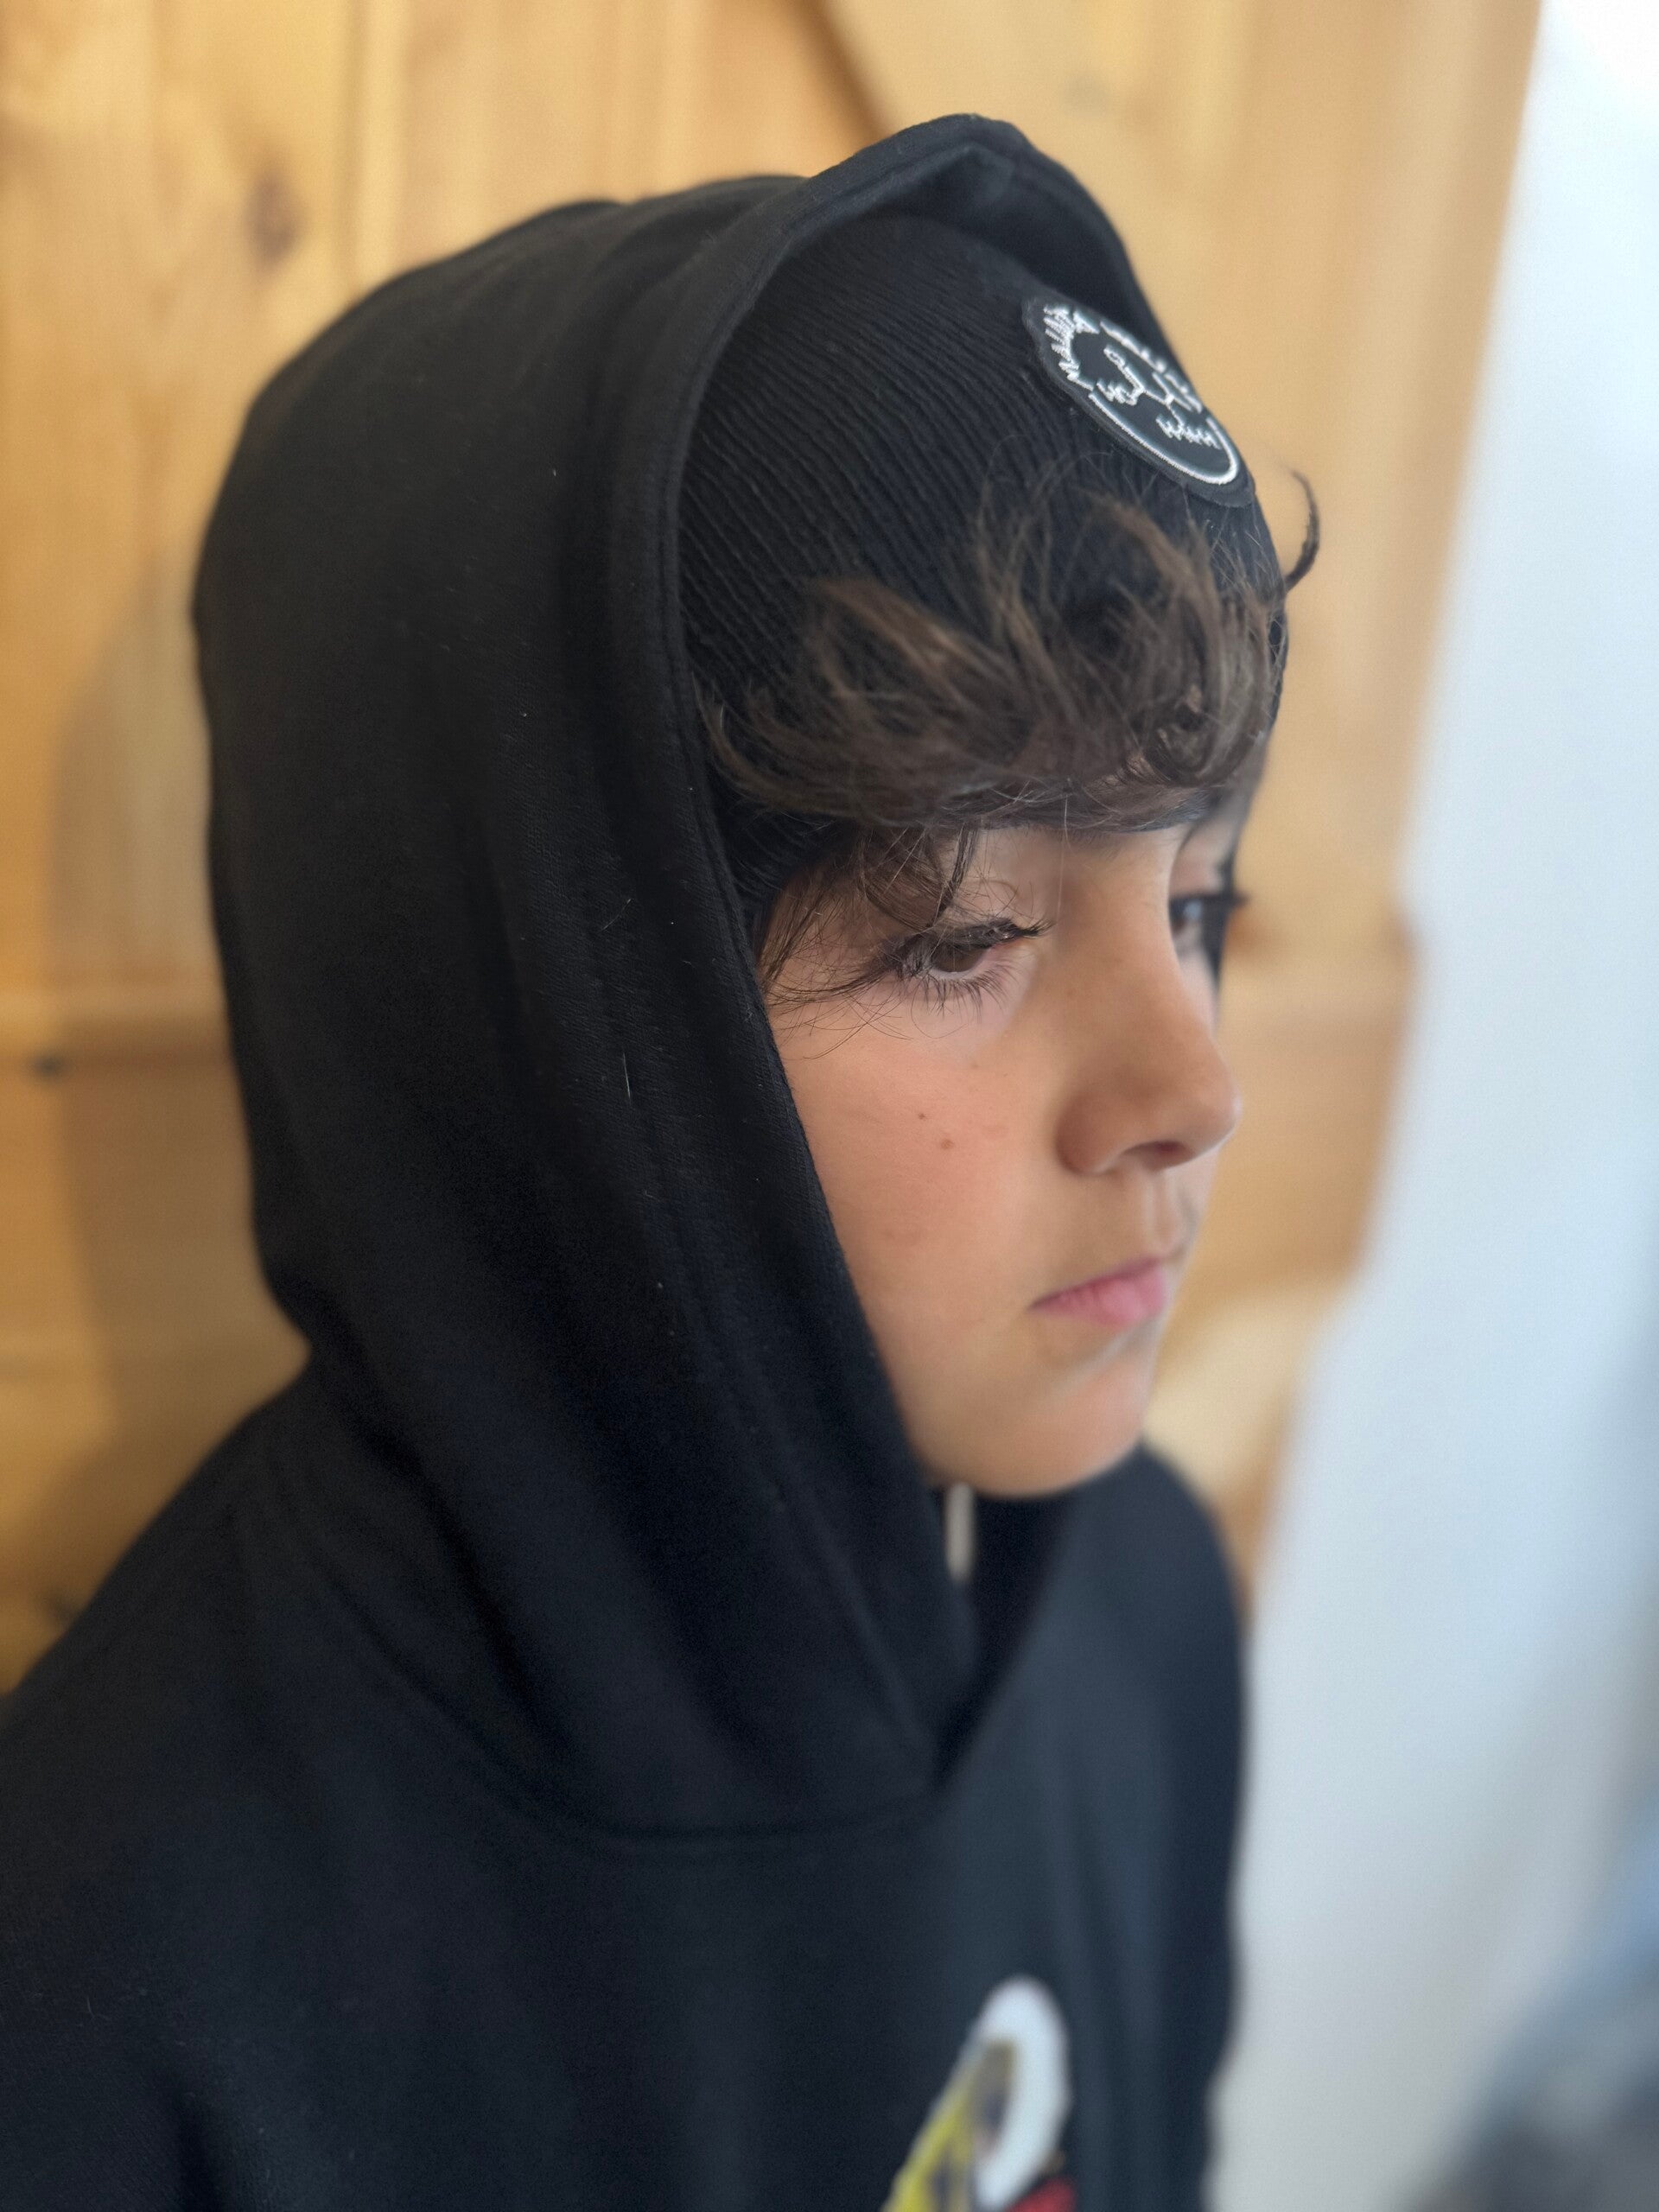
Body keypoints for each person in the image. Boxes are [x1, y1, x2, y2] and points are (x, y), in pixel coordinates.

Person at [0, 114, 1313, 2209]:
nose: (1196, 1082)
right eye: (963, 929)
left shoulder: (1144, 1612)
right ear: (522, 1013)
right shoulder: (118, 1975)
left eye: (1200, 895)